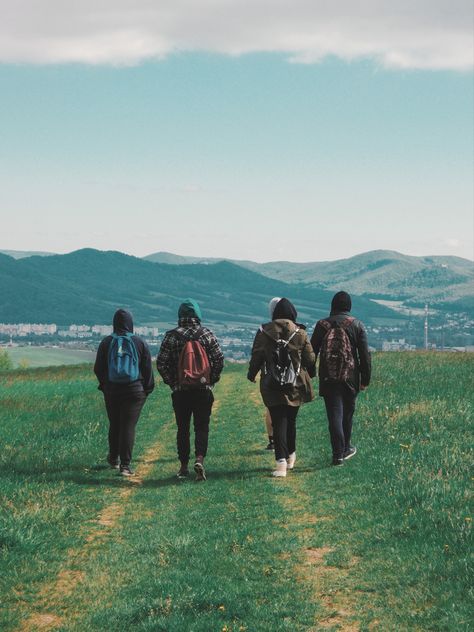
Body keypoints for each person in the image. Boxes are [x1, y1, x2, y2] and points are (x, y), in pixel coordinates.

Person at [156, 298, 224, 481]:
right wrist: (211, 380)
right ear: (198, 315)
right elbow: (219, 359)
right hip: (203, 389)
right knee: (202, 426)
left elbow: (161, 363)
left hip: (181, 391)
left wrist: (173, 382)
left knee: (182, 428)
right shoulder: (206, 334)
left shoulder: (171, 336)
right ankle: (200, 458)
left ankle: (183, 466)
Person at [248, 298, 316, 477]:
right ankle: (291, 455)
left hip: (271, 383)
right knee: (291, 420)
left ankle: (281, 463)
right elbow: (310, 359)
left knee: (278, 420)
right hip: (296, 383)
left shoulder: (263, 331)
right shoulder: (300, 332)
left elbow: (256, 356)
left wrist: (251, 374)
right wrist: (312, 373)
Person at [310, 291, 371, 466]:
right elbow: (364, 355)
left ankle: (337, 454)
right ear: (349, 307)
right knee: (348, 414)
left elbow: (311, 352)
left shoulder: (322, 325)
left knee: (334, 414)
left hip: (328, 377)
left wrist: (311, 373)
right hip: (351, 377)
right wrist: (365, 379)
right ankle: (346, 448)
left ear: (332, 305)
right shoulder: (357, 325)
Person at [94, 309, 155, 476]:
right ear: (131, 323)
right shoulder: (139, 342)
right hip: (134, 390)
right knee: (128, 426)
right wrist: (146, 389)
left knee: (115, 424)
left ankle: (113, 458)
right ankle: (125, 466)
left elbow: (98, 368)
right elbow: (147, 369)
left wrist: (105, 386)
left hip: (112, 390)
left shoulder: (106, 342)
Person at [263, 297, 281, 451]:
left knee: (270, 407)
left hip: (269, 373)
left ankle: (272, 439)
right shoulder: (294, 328)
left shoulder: (265, 329)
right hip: (290, 374)